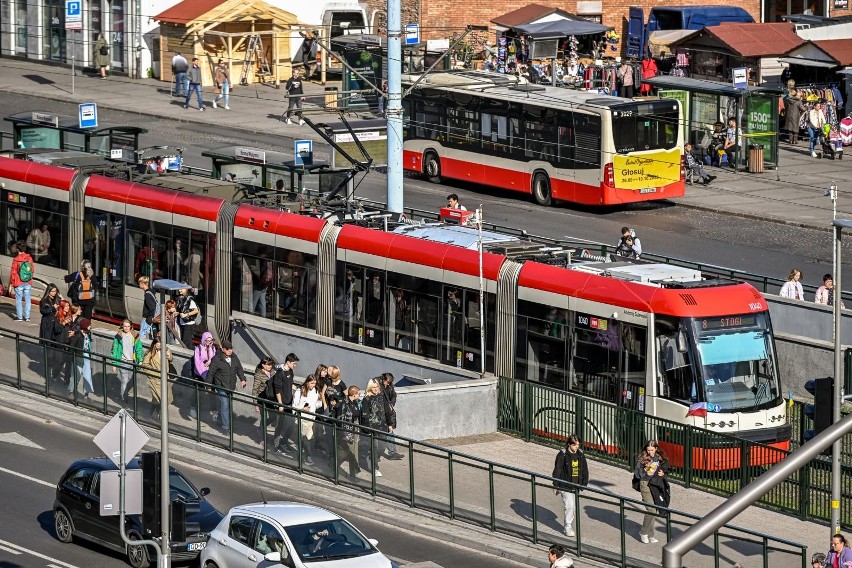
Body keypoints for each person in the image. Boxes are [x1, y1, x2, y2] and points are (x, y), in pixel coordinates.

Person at [551, 434, 589, 537]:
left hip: (575, 485)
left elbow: (585, 469)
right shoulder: (562, 455)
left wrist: (584, 483)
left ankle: (568, 525)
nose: (577, 447)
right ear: (569, 444)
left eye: (578, 445)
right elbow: (557, 470)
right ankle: (567, 526)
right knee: (570, 505)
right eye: (575, 445)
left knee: (573, 507)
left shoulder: (580, 454)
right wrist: (555, 485)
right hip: (565, 484)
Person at [634, 440, 670, 544]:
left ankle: (650, 535)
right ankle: (643, 532)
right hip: (645, 484)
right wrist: (644, 471)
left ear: (656, 449)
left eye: (652, 450)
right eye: (648, 450)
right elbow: (637, 474)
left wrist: (663, 473)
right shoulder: (642, 458)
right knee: (651, 510)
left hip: (655, 485)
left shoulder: (660, 458)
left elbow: (667, 469)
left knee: (654, 509)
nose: (650, 452)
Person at [206, 340, 247, 433]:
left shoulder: (234, 357)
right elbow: (211, 372)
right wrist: (208, 385)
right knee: (225, 405)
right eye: (228, 349)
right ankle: (226, 427)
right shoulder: (217, 359)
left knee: (227, 405)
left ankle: (220, 419)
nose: (230, 351)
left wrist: (243, 379)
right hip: (221, 385)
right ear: (223, 349)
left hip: (231, 385)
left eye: (231, 348)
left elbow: (239, 369)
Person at [272, 352, 299, 455]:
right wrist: (280, 404)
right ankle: (276, 446)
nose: (295, 365)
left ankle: (283, 442)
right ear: (288, 362)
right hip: (282, 403)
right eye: (294, 363)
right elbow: (278, 390)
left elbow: (290, 384)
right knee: (280, 425)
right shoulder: (280, 373)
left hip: (289, 403)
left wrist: (297, 389)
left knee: (291, 424)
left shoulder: (290, 372)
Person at [111, 319, 144, 404]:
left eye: (128, 326)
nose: (126, 328)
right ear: (122, 326)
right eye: (125, 326)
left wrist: (140, 359)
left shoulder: (135, 336)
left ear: (131, 326)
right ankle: (123, 399)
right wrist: (114, 364)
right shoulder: (118, 336)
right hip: (123, 361)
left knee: (129, 379)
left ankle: (124, 394)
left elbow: (139, 348)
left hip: (132, 361)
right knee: (125, 380)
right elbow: (114, 350)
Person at [333, 385, 363, 478]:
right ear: (354, 395)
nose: (359, 396)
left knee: (352, 454)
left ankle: (353, 475)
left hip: (353, 432)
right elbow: (341, 419)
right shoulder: (344, 404)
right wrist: (345, 434)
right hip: (346, 432)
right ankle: (334, 466)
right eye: (358, 394)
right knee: (344, 454)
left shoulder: (354, 403)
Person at [361, 377, 387, 476]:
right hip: (372, 427)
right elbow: (365, 415)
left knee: (382, 447)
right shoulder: (367, 399)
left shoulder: (381, 396)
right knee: (375, 447)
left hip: (382, 426)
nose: (376, 389)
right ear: (370, 388)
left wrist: (390, 424)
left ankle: (372, 458)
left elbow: (386, 411)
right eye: (373, 387)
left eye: (377, 387)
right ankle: (375, 468)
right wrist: (367, 428)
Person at [292, 373, 321, 465]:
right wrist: (302, 409)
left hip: (311, 417)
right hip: (302, 418)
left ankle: (306, 455)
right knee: (304, 438)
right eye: (312, 383)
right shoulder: (299, 391)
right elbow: (294, 406)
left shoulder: (315, 391)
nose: (313, 385)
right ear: (307, 382)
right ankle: (306, 456)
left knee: (310, 438)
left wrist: (322, 403)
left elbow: (315, 404)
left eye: (315, 383)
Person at [142, 337, 173, 418]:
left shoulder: (166, 350)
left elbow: (171, 359)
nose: (159, 347)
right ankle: (162, 417)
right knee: (161, 398)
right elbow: (145, 365)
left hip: (165, 378)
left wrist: (169, 356)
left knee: (166, 398)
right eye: (157, 345)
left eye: (160, 345)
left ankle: (153, 410)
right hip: (154, 379)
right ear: (154, 345)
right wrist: (153, 371)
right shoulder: (150, 353)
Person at [380, 372, 404, 460]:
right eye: (387, 382)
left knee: (389, 432)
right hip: (381, 414)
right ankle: (391, 452)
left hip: (387, 412)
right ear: (383, 379)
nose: (388, 383)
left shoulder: (389, 387)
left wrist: (392, 404)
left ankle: (392, 452)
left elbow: (393, 395)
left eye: (390, 382)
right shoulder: (378, 386)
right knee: (387, 432)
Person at [10, 241, 34, 322]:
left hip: (18, 282)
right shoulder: (29, 258)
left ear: (17, 249)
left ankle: (19, 317)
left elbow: (13, 273)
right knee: (28, 299)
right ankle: (27, 317)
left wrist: (12, 283)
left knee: (18, 300)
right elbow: (32, 270)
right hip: (28, 282)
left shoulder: (16, 260)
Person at [138, 276, 159, 340]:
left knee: (142, 337)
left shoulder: (147, 294)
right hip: (150, 318)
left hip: (148, 319)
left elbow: (152, 308)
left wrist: (146, 317)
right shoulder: (151, 292)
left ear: (143, 283)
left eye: (139, 283)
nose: (139, 284)